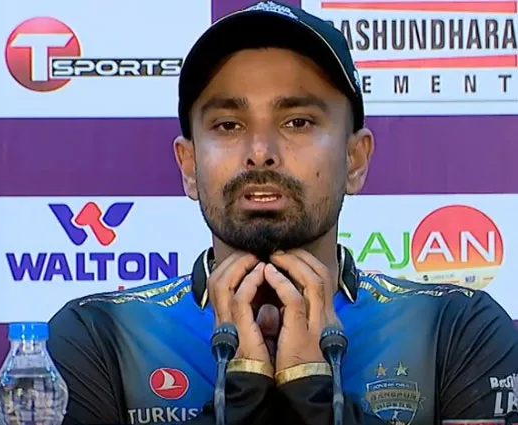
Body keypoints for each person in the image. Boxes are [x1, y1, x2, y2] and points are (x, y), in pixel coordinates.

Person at [46, 1, 518, 424]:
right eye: (228, 125)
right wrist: (241, 392)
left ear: (355, 160)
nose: (260, 151)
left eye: (297, 121)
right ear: (188, 167)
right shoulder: (101, 334)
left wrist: (313, 391)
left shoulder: (455, 327)